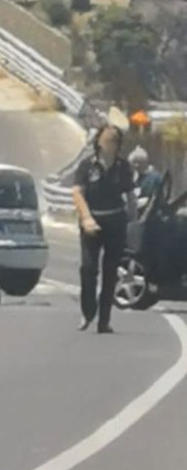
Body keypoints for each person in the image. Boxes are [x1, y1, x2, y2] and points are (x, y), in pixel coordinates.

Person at [72, 125, 137, 334]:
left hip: (115, 221)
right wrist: (86, 218)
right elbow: (77, 193)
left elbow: (130, 196)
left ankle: (104, 320)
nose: (112, 145)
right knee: (88, 268)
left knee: (111, 273)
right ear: (99, 142)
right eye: (109, 140)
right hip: (92, 221)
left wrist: (133, 220)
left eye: (115, 141)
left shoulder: (122, 166)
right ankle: (87, 311)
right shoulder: (87, 165)